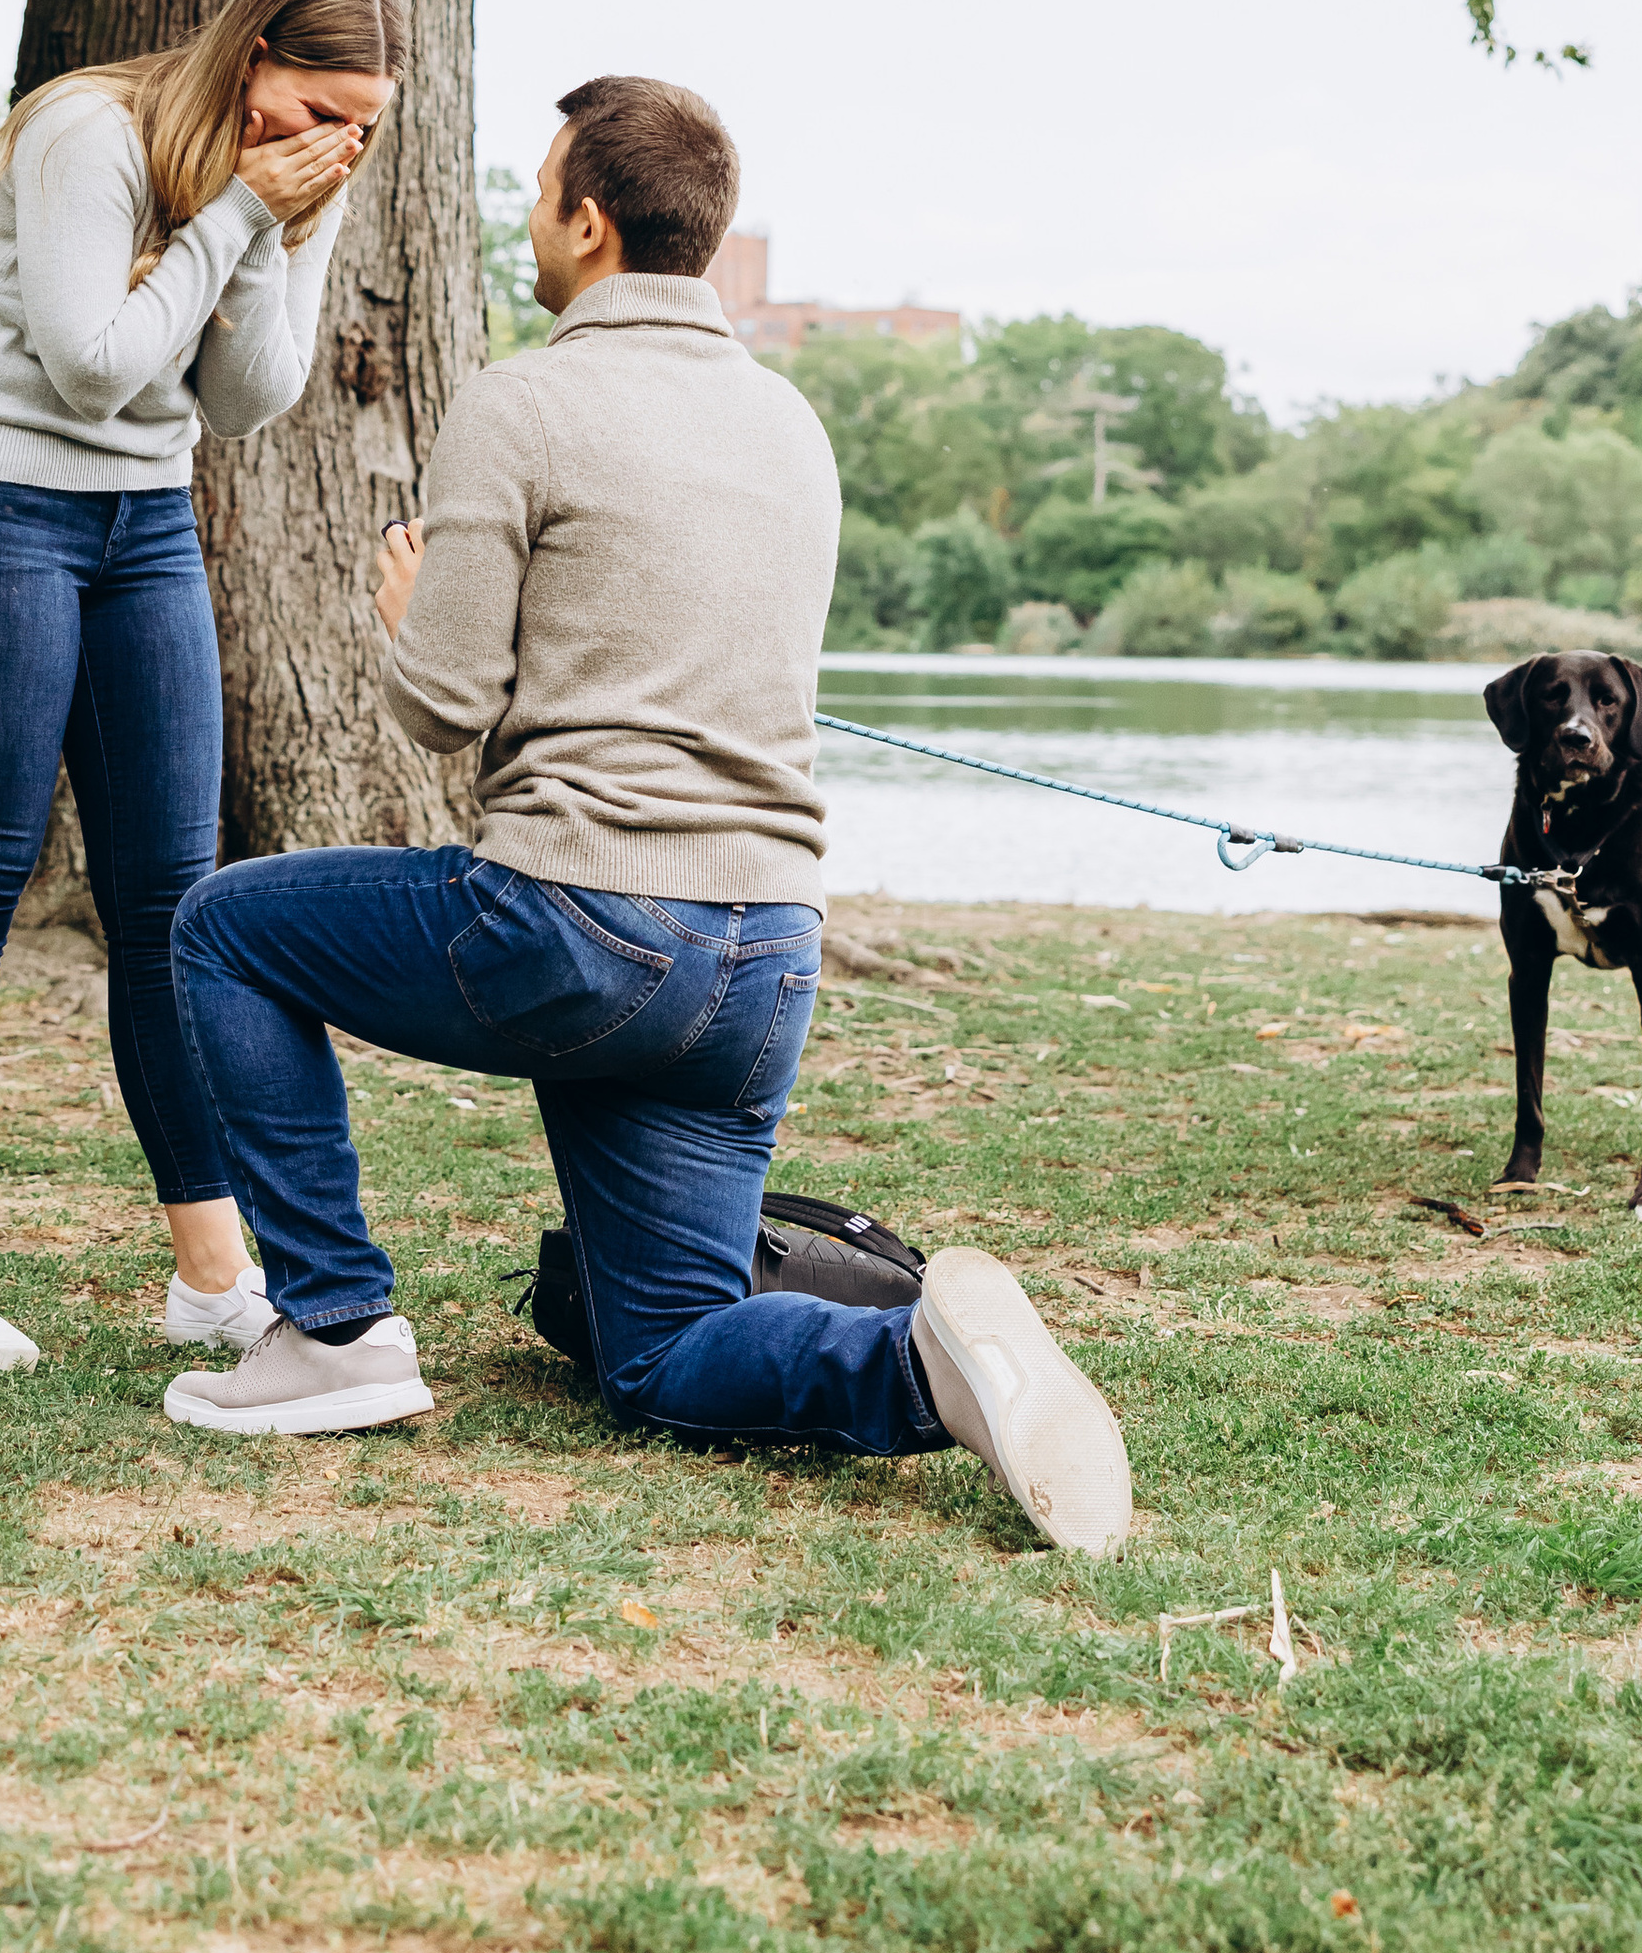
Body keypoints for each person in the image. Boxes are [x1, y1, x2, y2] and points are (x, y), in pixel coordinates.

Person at [163, 75, 1131, 1556]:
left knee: (224, 930)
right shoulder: (790, 422)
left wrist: (407, 618)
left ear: (589, 221)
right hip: (765, 958)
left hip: (583, 926)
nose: (530, 216)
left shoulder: (525, 401)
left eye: (543, 188)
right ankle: (926, 1368)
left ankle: (336, 1328)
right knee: (663, 1349)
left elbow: (443, 706)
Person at [0, 0, 405, 1375]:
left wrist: (278, 229)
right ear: (255, 53)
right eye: (318, 110)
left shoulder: (294, 181)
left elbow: (246, 400)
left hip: (146, 523)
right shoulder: (87, 135)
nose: (334, 145)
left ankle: (212, 1272)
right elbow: (94, 364)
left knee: (172, 900)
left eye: (363, 126)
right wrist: (239, 213)